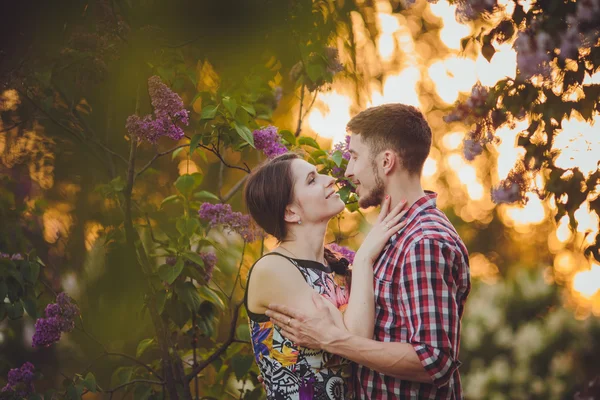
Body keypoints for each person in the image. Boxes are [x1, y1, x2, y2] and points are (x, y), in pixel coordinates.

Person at [265, 104, 472, 399]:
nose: (348, 170)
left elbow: (433, 361)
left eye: (355, 156)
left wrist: (332, 340)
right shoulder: (393, 234)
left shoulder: (424, 242)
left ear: (386, 161)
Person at [243, 152, 408, 399]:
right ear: (290, 213)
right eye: (311, 180)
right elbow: (355, 340)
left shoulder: (336, 269)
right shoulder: (273, 269)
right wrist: (363, 259)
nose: (329, 178)